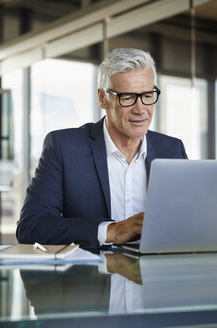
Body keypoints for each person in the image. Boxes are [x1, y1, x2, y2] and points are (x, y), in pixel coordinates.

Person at [16, 48, 187, 248]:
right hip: (91, 277)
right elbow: (31, 227)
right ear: (102, 98)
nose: (140, 109)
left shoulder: (172, 149)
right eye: (128, 97)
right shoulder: (64, 147)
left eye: (147, 95)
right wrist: (111, 231)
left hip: (157, 275)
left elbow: (189, 222)